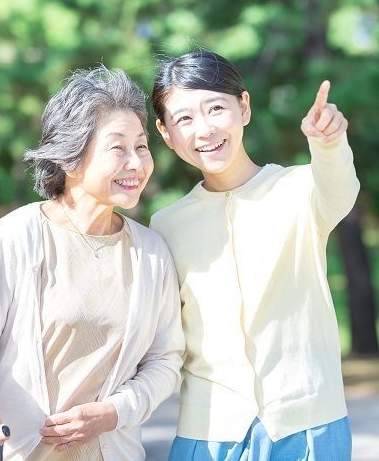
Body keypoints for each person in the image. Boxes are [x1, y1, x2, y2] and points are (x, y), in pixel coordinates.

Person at [0, 66, 185, 460]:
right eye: (117, 147)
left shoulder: (152, 253)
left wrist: (112, 413)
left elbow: (165, 360)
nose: (137, 162)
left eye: (141, 146)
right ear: (71, 158)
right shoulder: (19, 233)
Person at [148, 50, 359, 460]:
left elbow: (340, 191)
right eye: (184, 119)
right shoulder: (166, 226)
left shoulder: (299, 189)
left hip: (307, 429)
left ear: (243, 107)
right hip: (205, 436)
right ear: (165, 132)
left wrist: (328, 143)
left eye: (215, 108)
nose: (204, 129)